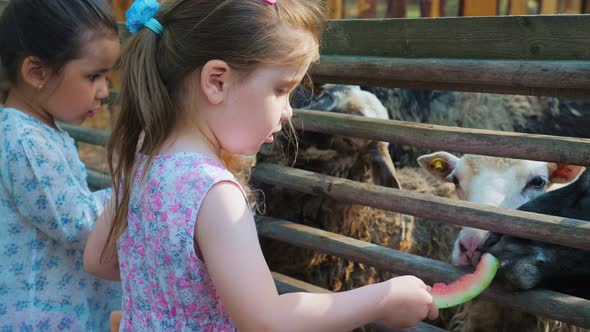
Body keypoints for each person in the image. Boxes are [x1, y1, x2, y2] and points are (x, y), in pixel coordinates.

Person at [84, 0, 438, 330]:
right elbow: (266, 321)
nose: (289, 111)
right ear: (216, 82)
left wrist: (167, 285)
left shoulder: (143, 166)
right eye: (281, 89)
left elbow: (98, 260)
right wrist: (381, 299)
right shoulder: (215, 193)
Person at [0, 0, 121, 330]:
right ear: (36, 72)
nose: (104, 92)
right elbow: (77, 223)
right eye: (94, 76)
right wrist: (129, 189)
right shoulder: (24, 140)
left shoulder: (40, 130)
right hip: (40, 312)